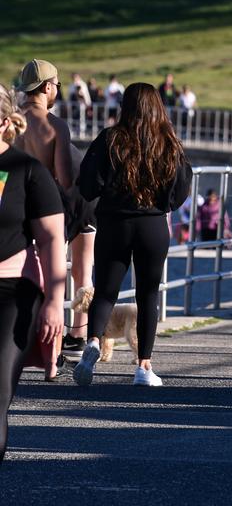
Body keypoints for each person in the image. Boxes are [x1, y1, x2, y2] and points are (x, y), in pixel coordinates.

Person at [74, 83, 193, 388]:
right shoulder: (169, 142)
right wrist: (162, 204)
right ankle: (143, 366)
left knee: (105, 291)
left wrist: (107, 197)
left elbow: (86, 184)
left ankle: (93, 344)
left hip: (114, 223)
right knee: (148, 295)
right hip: (152, 226)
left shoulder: (110, 139)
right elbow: (181, 189)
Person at [15, 60, 97, 361]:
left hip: (17, 207)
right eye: (57, 86)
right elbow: (64, 179)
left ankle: (25, 336)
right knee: (67, 272)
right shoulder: (55, 126)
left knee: (24, 274)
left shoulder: (10, 123)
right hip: (55, 208)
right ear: (48, 87)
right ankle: (70, 337)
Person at [0, 85, 65, 462]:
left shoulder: (27, 171)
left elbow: (52, 238)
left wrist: (55, 301)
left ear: (5, 123)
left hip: (13, 292)